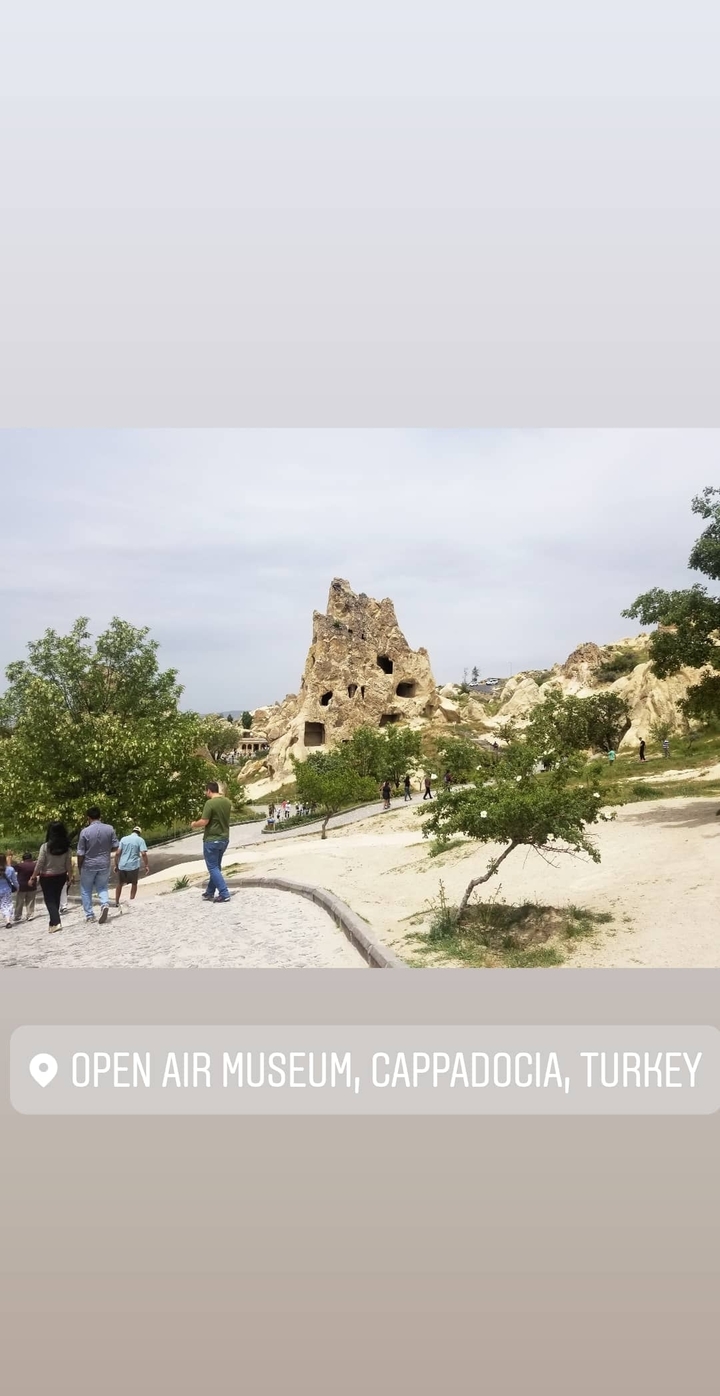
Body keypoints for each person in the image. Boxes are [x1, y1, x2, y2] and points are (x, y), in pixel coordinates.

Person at [76, 806, 119, 925]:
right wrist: (106, 850)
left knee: (86, 889)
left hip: (89, 864)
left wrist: (79, 866)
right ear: (100, 816)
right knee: (102, 886)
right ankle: (104, 904)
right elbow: (116, 846)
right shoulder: (110, 829)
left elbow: (81, 852)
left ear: (88, 818)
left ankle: (90, 915)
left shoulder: (84, 832)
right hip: (104, 863)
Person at [192, 780, 232, 903]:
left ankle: (224, 893)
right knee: (216, 867)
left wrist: (194, 824)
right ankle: (209, 892)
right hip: (224, 838)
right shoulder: (227, 802)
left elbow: (204, 821)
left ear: (209, 790)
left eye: (206, 791)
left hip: (211, 840)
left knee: (213, 868)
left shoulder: (210, 803)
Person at [29, 823, 74, 933]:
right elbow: (68, 864)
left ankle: (57, 922)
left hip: (47, 876)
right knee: (56, 899)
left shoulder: (45, 847)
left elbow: (40, 863)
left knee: (49, 900)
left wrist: (33, 876)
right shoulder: (67, 848)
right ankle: (52, 923)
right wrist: (71, 875)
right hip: (61, 876)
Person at [114, 824, 149, 906]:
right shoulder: (140, 840)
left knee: (120, 883)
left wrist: (116, 865)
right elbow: (143, 854)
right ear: (139, 833)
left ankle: (116, 902)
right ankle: (132, 900)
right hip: (133, 866)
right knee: (134, 883)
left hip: (122, 865)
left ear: (132, 831)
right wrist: (146, 865)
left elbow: (117, 853)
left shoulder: (123, 839)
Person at [12, 851, 37, 923]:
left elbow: (11, 869)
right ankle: (30, 915)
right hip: (32, 885)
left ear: (23, 858)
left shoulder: (20, 865)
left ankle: (17, 916)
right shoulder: (35, 865)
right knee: (31, 901)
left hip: (21, 886)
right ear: (31, 858)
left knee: (19, 902)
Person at [0, 854, 18, 928]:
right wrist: (17, 887)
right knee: (7, 905)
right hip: (6, 889)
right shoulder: (10, 869)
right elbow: (14, 880)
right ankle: (8, 921)